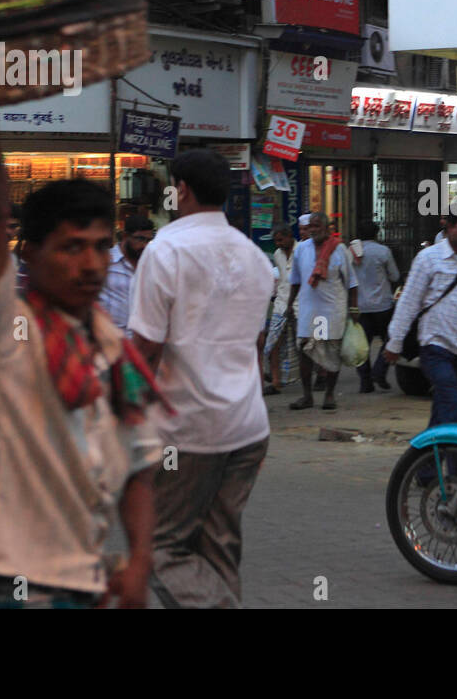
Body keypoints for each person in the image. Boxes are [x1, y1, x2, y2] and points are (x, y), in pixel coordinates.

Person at [0, 111, 163, 609]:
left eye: (100, 247)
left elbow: (138, 461)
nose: (91, 264)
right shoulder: (2, 329)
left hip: (85, 581)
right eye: (71, 248)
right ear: (28, 253)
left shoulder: (110, 343)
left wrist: (138, 561)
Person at [128, 148, 275, 609]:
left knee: (158, 547)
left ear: (182, 190)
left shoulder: (166, 249)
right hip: (248, 426)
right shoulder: (255, 257)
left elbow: (145, 349)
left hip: (187, 432)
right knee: (218, 548)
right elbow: (253, 345)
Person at [384, 212, 457, 427]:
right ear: (448, 227)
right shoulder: (428, 258)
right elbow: (409, 303)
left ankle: (425, 458)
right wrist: (394, 343)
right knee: (452, 404)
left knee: (443, 410)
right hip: (435, 346)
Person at [287, 211, 356, 411]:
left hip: (330, 311)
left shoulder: (339, 249)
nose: (314, 230)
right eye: (311, 226)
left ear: (326, 228)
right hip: (309, 311)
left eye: (318, 226)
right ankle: (307, 396)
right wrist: (290, 304)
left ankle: (329, 395)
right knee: (306, 352)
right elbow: (295, 281)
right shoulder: (301, 249)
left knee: (329, 353)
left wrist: (354, 307)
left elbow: (351, 282)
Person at [353, 219, 401, 392]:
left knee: (361, 345)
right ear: (376, 234)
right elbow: (395, 276)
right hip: (382, 305)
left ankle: (365, 382)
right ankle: (379, 371)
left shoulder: (350, 253)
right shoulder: (383, 251)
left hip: (359, 306)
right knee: (390, 339)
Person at [99, 215, 154, 333]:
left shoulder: (150, 263)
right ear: (125, 236)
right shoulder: (107, 261)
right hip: (110, 336)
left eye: (148, 240)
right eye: (140, 239)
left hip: (140, 339)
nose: (144, 245)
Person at [263, 224, 297, 395]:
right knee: (273, 342)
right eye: (276, 241)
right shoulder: (277, 255)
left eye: (281, 240)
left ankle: (319, 376)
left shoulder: (302, 251)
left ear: (290, 236)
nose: (278, 244)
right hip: (282, 302)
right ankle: (276, 381)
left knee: (308, 343)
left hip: (301, 304)